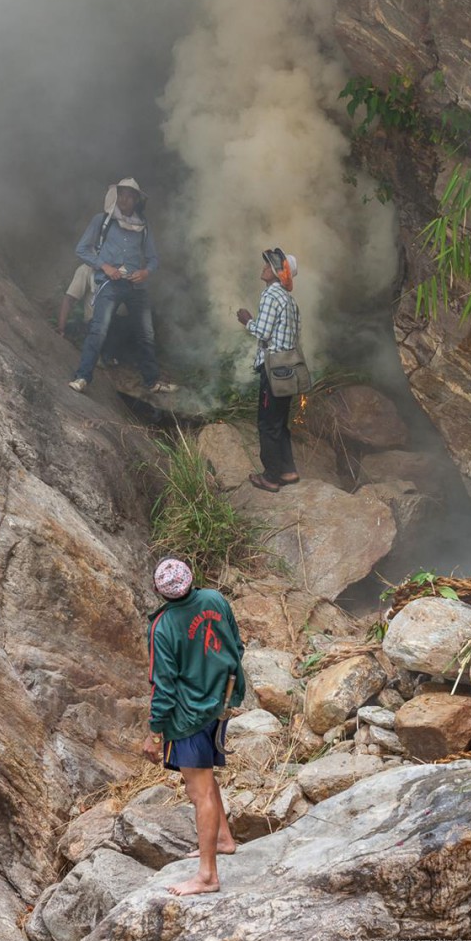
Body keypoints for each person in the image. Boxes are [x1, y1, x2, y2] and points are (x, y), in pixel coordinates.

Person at [143, 558, 245, 896]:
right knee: (206, 777)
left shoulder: (163, 625)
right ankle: (223, 839)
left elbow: (164, 685)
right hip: (221, 701)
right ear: (191, 579)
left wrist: (155, 732)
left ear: (160, 591)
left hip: (187, 715)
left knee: (198, 791)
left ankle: (206, 877)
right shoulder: (215, 600)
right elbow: (237, 646)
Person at [68, 177, 178, 394]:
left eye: (130, 196)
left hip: (135, 287)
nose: (125, 199)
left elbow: (154, 259)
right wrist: (105, 266)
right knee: (98, 330)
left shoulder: (143, 227)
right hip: (109, 284)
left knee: (146, 333)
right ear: (116, 196)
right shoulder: (102, 221)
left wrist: (145, 272)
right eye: (122, 195)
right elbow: (82, 249)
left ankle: (152, 381)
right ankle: (82, 377)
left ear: (137, 200)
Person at [236, 247, 301, 493]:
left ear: (276, 273)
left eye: (268, 266)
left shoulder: (271, 296)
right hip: (289, 367)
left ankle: (271, 477)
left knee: (267, 424)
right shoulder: (290, 301)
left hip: (273, 367)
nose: (263, 268)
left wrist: (247, 320)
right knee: (280, 421)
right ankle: (288, 470)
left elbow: (262, 332)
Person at [57, 262, 121, 366]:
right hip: (95, 321)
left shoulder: (121, 267)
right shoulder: (86, 269)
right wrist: (61, 328)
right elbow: (69, 299)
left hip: (116, 322)